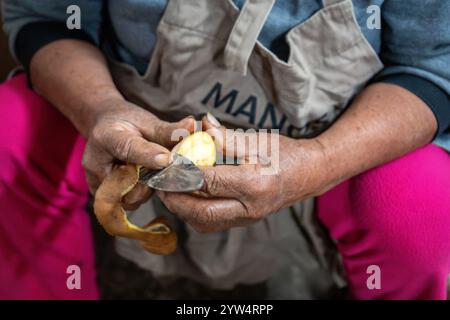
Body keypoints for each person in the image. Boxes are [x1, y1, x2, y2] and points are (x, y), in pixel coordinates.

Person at [1, 0, 449, 299]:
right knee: (9, 132)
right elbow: (48, 17)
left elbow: (430, 67)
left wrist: (322, 161)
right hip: (125, 140)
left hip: (333, 151)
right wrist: (98, 106)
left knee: (417, 199)